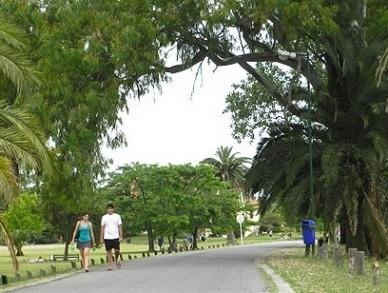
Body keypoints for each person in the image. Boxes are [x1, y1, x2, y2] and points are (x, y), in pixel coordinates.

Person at [100, 203, 123, 271]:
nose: (109, 210)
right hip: (107, 236)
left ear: (113, 209)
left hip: (116, 236)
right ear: (107, 210)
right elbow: (102, 228)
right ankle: (110, 265)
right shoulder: (104, 217)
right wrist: (101, 238)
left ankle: (116, 259)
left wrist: (121, 236)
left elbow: (120, 226)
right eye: (108, 209)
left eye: (111, 208)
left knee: (117, 250)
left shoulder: (117, 216)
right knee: (109, 251)